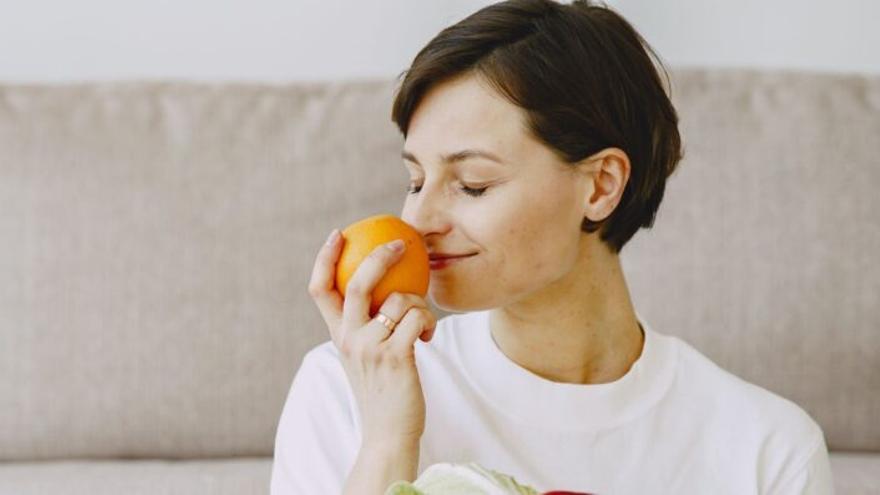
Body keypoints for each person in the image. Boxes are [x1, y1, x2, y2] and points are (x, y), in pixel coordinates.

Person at [271, 0, 835, 493]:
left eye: (473, 184)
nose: (416, 220)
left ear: (601, 185)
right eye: (416, 181)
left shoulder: (767, 451)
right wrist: (387, 442)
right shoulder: (345, 389)